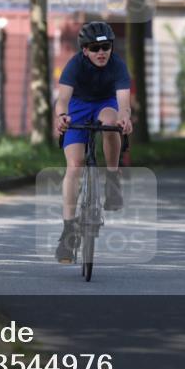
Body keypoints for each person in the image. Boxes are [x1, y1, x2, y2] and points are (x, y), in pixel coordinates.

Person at [53, 21, 133, 263]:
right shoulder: (74, 65)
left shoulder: (118, 66)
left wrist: (125, 118)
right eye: (94, 48)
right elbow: (63, 100)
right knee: (74, 166)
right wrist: (61, 117)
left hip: (105, 104)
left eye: (106, 47)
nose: (101, 53)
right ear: (84, 50)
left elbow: (123, 103)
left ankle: (112, 178)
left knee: (111, 124)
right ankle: (68, 229)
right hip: (77, 106)